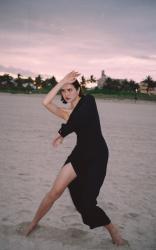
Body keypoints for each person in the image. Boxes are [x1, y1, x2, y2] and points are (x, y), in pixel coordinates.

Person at [25, 71, 125, 246]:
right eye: (64, 91)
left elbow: (79, 118)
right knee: (55, 192)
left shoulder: (89, 101)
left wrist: (62, 132)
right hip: (79, 155)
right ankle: (34, 223)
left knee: (87, 204)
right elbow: (45, 102)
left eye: (70, 89)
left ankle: (111, 228)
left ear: (78, 90)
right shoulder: (67, 114)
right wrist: (62, 81)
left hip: (97, 156)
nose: (66, 94)